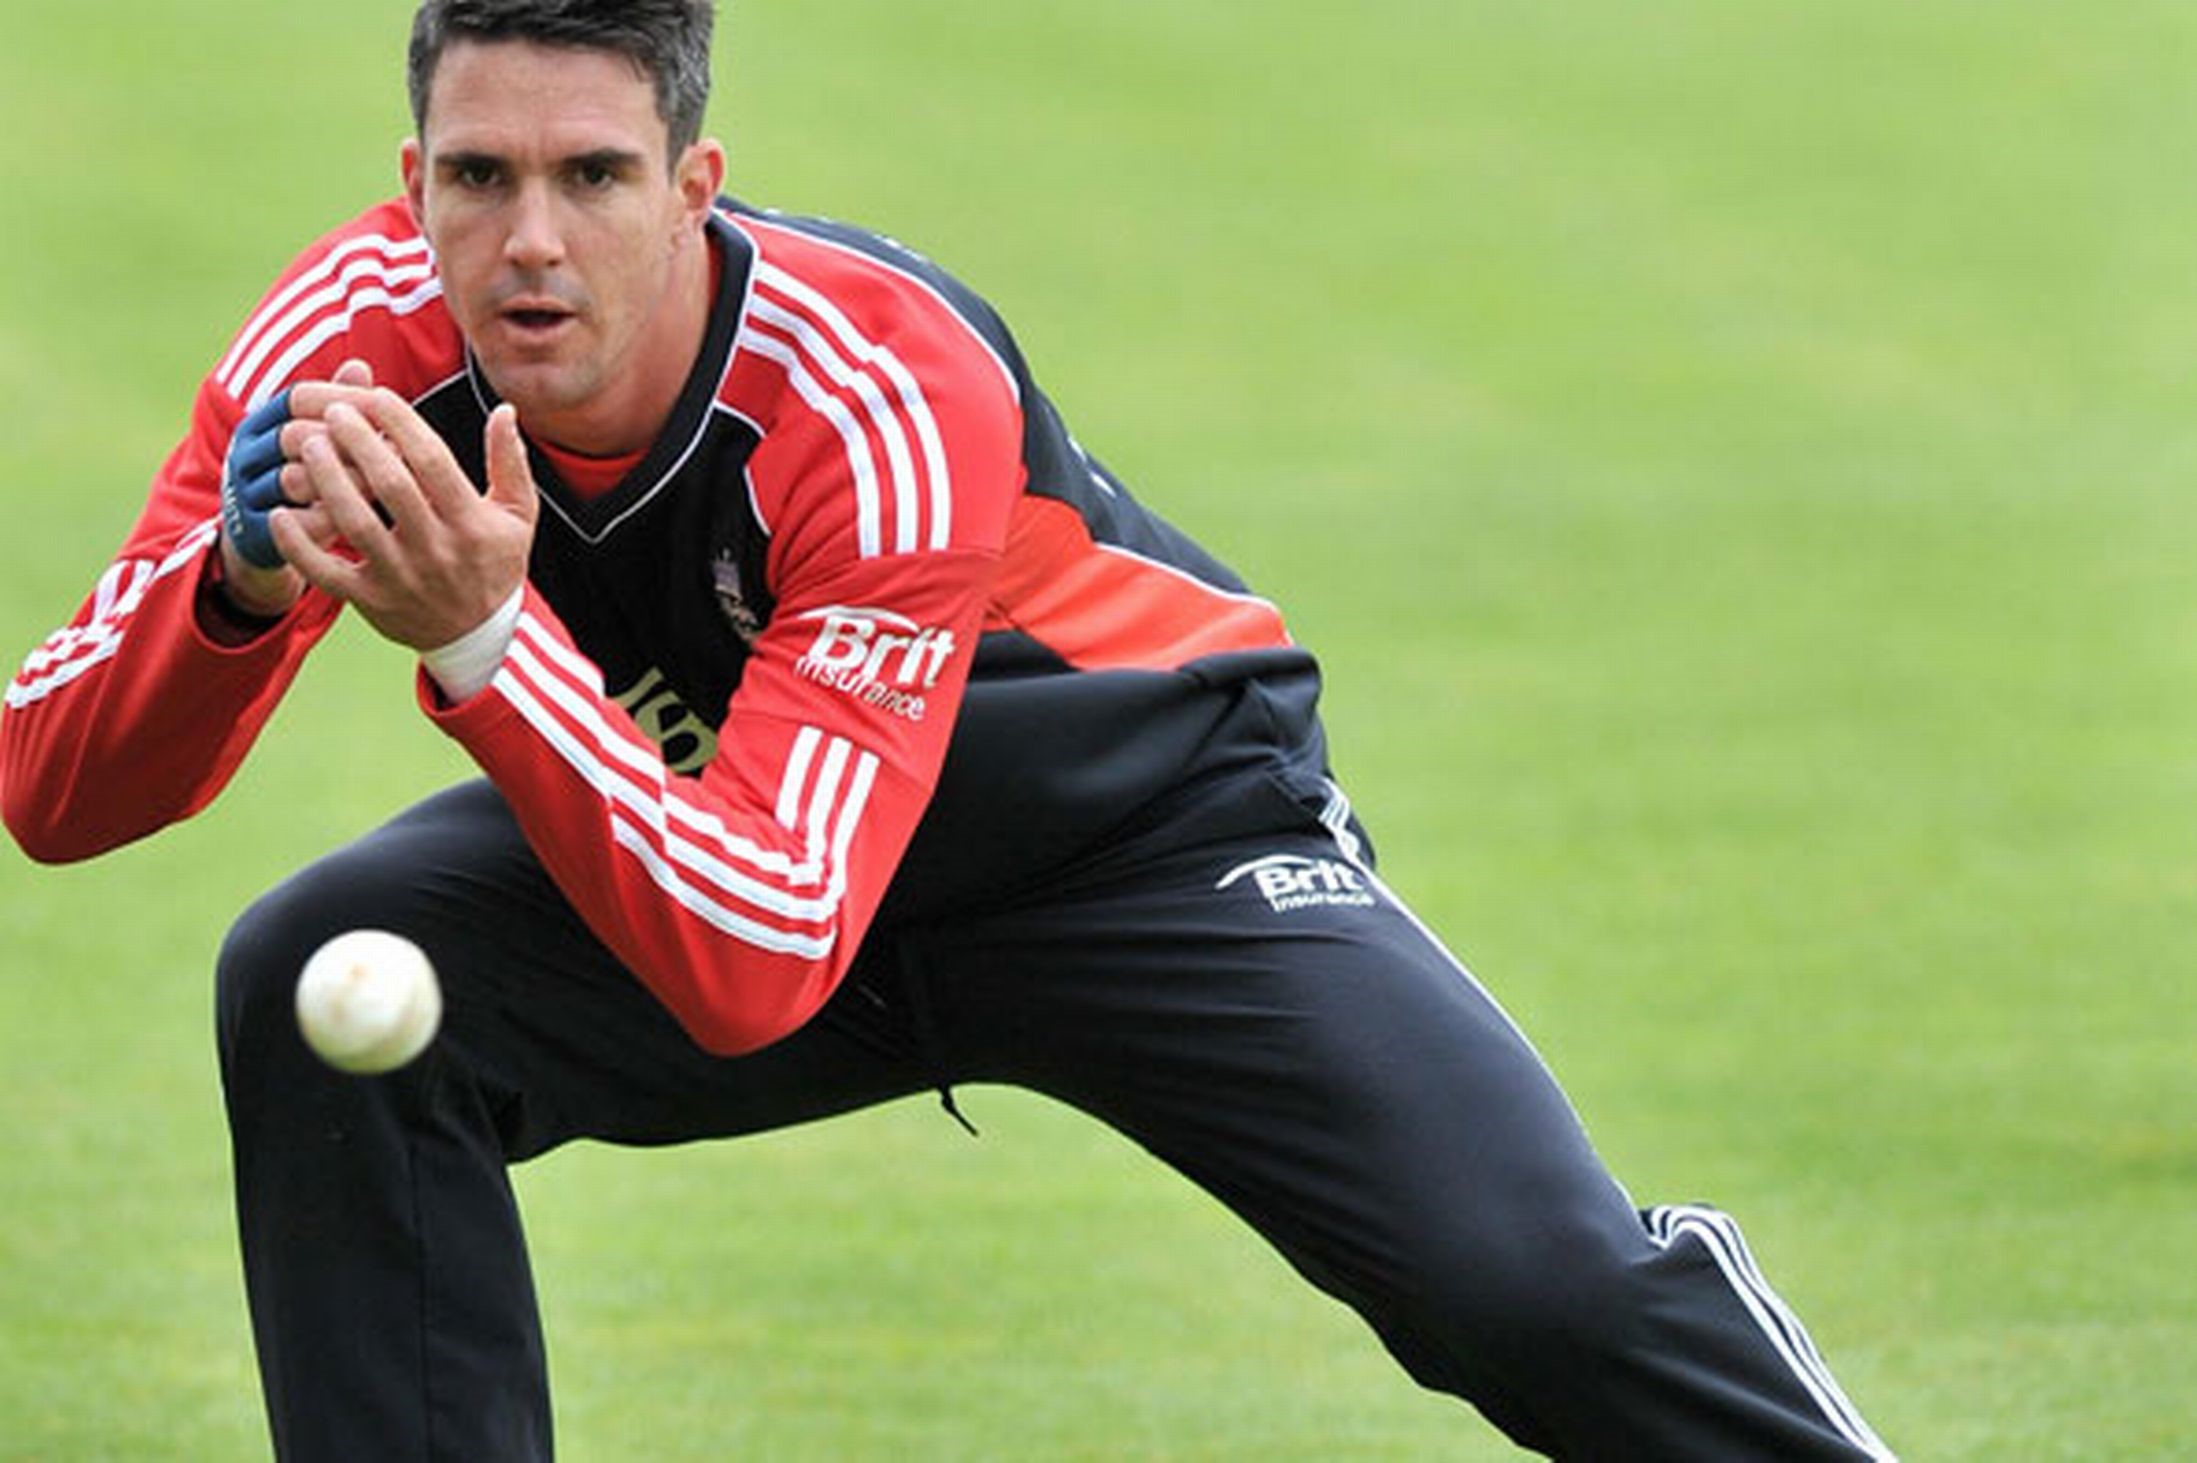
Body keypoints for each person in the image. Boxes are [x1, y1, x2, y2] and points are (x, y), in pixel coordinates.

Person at [0, 2, 1897, 1458]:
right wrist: (233, 594)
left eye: (591, 177)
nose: (527, 246)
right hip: (730, 834)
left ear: (693, 186)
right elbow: (52, 787)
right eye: (474, 177)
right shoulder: (344, 340)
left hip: (1129, 848)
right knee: (323, 984)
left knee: (1534, 1294)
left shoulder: (878, 383)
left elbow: (750, 960)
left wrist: (489, 638)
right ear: (407, 179)